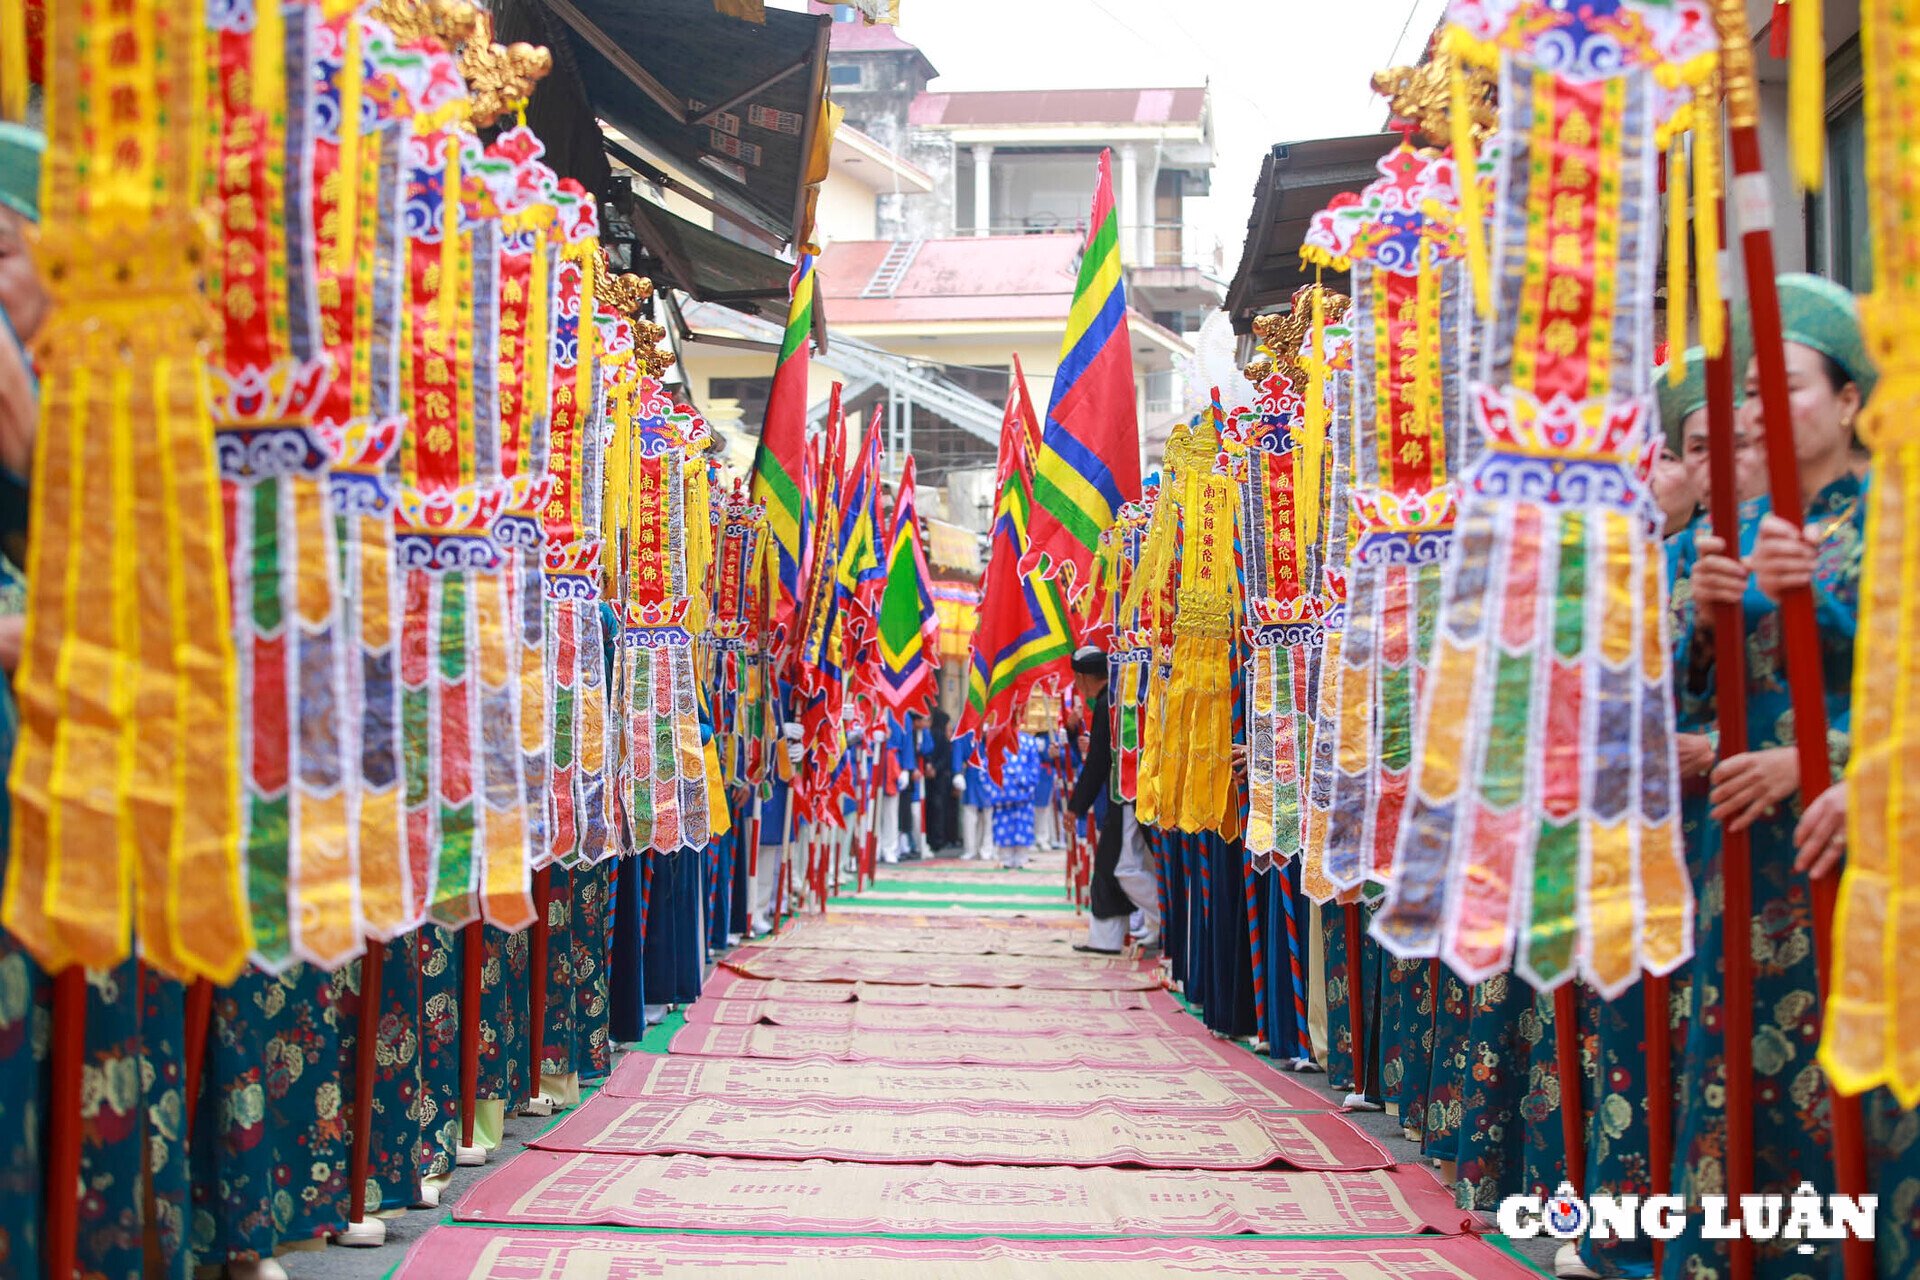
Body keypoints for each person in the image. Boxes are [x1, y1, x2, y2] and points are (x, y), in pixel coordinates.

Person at [1665, 274, 1911, 1280]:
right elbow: (1702, 691)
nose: (1762, 411)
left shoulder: (1893, 523)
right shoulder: (1743, 525)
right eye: (1750, 393)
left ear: (1852, 400)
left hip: (1854, 845)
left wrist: (1815, 757)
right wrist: (1710, 620)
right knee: (1734, 1073)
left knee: (1846, 1093)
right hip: (1742, 849)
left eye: (1789, 387)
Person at [1067, 644, 1158, 954]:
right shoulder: (1112, 701)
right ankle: (1106, 939)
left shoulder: (1112, 704)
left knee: (1123, 867)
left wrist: (1076, 806)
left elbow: (1097, 763)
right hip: (1128, 795)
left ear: (1081, 678)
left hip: (1131, 795)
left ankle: (1170, 918)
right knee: (1113, 866)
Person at [953, 734, 994, 862]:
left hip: (991, 772)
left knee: (990, 814)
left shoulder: (994, 724)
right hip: (972, 773)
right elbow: (958, 748)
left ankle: (988, 848)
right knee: (970, 813)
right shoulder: (965, 729)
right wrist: (957, 772)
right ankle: (970, 849)